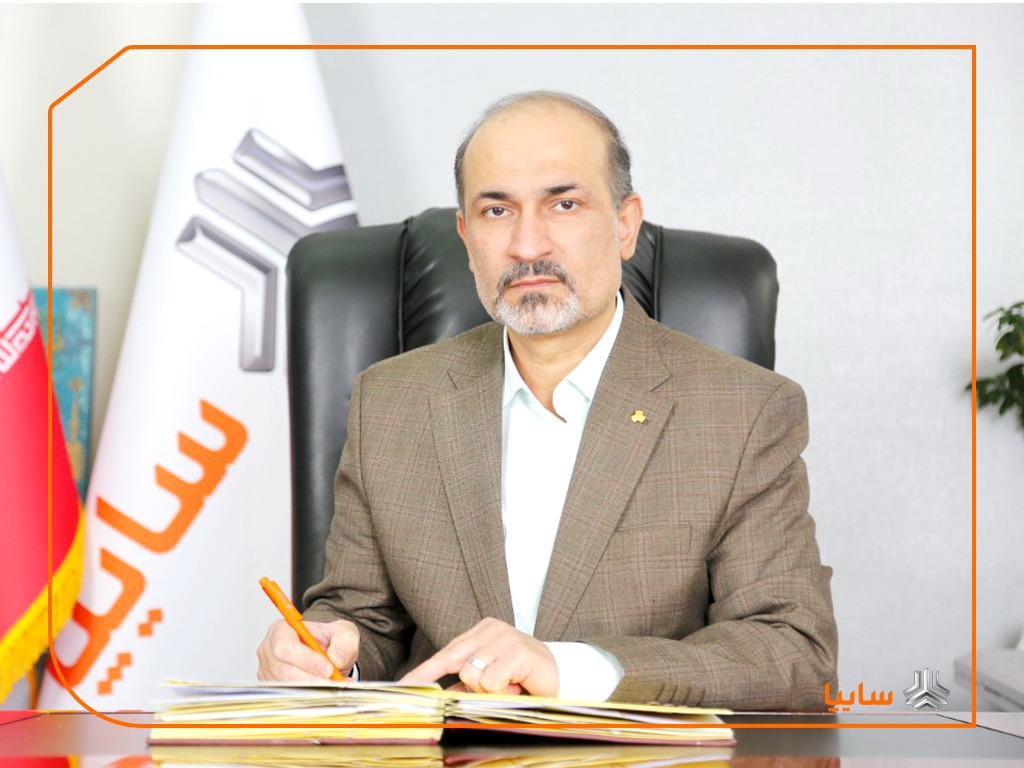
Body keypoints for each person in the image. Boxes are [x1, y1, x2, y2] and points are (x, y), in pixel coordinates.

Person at [257, 91, 838, 710]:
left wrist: (571, 669)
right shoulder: (391, 402)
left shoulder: (743, 412)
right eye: (496, 210)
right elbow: (362, 619)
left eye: (564, 204)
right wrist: (327, 653)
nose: (528, 245)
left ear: (625, 224)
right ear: (466, 237)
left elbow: (793, 652)